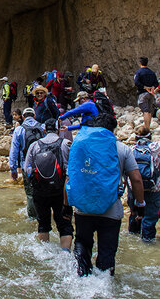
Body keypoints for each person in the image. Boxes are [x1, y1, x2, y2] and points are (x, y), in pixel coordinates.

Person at [66, 114, 145, 276]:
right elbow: (136, 179)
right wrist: (140, 205)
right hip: (111, 210)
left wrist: (66, 207)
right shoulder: (122, 148)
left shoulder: (80, 145)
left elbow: (70, 179)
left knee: (82, 246)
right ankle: (106, 286)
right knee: (107, 252)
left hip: (83, 207)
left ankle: (82, 280)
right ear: (113, 129)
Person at [24, 119, 73, 251]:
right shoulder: (66, 144)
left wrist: (33, 184)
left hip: (40, 191)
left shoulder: (35, 145)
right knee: (64, 224)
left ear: (44, 130)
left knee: (43, 223)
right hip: (61, 191)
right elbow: (72, 168)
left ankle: (45, 254)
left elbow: (26, 168)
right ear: (58, 130)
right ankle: (65, 254)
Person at [9, 107, 45, 219]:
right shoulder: (42, 128)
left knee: (30, 193)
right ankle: (43, 216)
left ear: (23, 117)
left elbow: (13, 151)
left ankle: (32, 219)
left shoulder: (19, 129)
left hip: (26, 165)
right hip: (42, 165)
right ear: (34, 116)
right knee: (42, 191)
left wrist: (13, 169)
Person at [130, 126, 160, 242]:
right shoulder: (156, 148)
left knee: (134, 214)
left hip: (134, 189)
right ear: (150, 137)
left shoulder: (131, 149)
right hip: (153, 188)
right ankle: (147, 242)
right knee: (150, 218)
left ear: (136, 137)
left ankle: (132, 239)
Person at [134, 57, 159, 130]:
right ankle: (148, 127)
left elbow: (136, 82)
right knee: (150, 111)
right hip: (151, 94)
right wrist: (152, 89)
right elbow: (156, 83)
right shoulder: (152, 72)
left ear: (140, 63)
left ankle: (146, 128)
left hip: (143, 93)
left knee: (145, 111)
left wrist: (145, 87)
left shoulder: (138, 72)